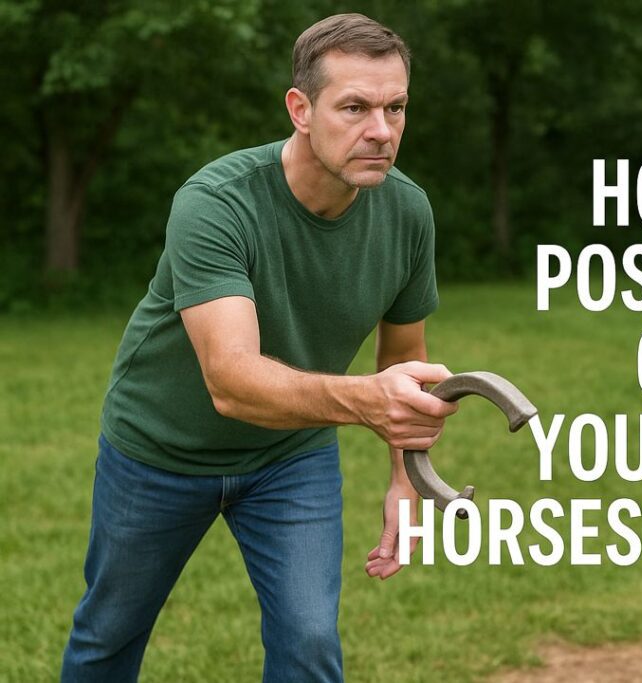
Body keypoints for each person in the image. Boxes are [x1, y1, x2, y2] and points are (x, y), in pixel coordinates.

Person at [60, 13, 454, 682]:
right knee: (109, 636)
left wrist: (405, 479)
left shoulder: (407, 212)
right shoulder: (217, 203)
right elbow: (231, 379)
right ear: (300, 109)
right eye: (354, 107)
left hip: (289, 455)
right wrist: (364, 400)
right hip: (160, 451)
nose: (381, 131)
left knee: (309, 644)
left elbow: (402, 364)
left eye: (395, 108)